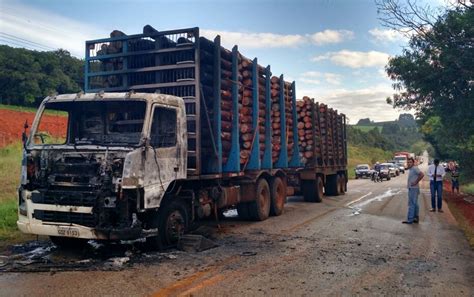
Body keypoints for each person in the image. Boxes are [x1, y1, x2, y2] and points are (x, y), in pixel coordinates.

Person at [403, 157, 424, 224]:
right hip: (412, 188)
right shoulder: (411, 169)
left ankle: (410, 220)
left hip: (413, 188)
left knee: (411, 204)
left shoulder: (415, 168)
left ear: (413, 163)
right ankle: (415, 218)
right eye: (408, 162)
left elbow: (422, 174)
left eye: (410, 162)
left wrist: (415, 182)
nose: (409, 163)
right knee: (415, 204)